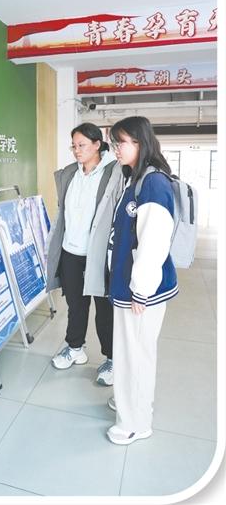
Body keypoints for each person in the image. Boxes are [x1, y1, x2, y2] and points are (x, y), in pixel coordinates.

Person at [106, 116, 178, 445]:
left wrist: (141, 290)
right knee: (131, 352)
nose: (116, 148)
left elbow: (153, 244)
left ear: (140, 142)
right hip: (129, 283)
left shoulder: (153, 183)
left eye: (121, 142)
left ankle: (135, 422)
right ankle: (130, 402)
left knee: (135, 355)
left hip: (141, 289)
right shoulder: (135, 177)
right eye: (115, 142)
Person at [46, 122, 123, 385]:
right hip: (71, 251)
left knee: (105, 309)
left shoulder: (114, 173)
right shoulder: (70, 173)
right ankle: (75, 348)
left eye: (82, 145)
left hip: (98, 254)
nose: (77, 150)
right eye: (74, 146)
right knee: (75, 305)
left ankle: (112, 358)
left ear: (97, 145)